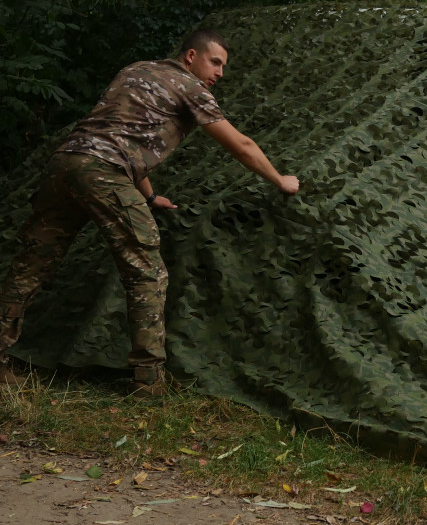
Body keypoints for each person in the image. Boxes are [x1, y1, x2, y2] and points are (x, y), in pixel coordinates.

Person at [0, 29, 299, 397]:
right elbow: (240, 145)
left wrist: (150, 195)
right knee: (147, 270)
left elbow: (124, 133)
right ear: (191, 56)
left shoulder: (135, 71)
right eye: (215, 62)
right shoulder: (191, 88)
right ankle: (148, 381)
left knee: (31, 265)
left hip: (65, 164)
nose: (220, 73)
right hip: (103, 172)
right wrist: (280, 179)